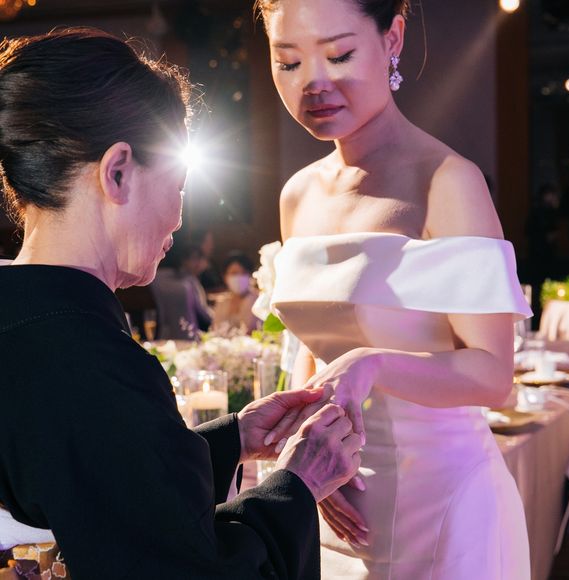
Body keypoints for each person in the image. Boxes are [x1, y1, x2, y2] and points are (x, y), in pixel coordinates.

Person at [0, 28, 363, 580]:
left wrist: (233, 439)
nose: (179, 216)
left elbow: (101, 479)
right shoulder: (89, 363)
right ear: (117, 172)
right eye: (179, 183)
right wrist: (297, 484)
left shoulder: (30, 325)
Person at [254, 1, 533, 578]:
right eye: (289, 62)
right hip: (334, 501)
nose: (314, 83)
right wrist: (307, 458)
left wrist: (372, 362)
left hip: (444, 503)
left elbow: (493, 375)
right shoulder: (298, 194)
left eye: (339, 55)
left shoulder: (446, 181)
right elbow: (312, 350)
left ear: (393, 38)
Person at [151, 234, 213, 338]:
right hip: (188, 334)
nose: (198, 263)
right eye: (194, 259)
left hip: (163, 334)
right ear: (184, 260)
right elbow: (204, 314)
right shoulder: (189, 281)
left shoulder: (158, 277)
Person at [211, 252, 259, 333]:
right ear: (225, 277)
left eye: (243, 273)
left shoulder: (256, 300)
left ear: (250, 275)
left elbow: (251, 329)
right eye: (234, 273)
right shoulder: (222, 302)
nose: (239, 277)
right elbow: (215, 329)